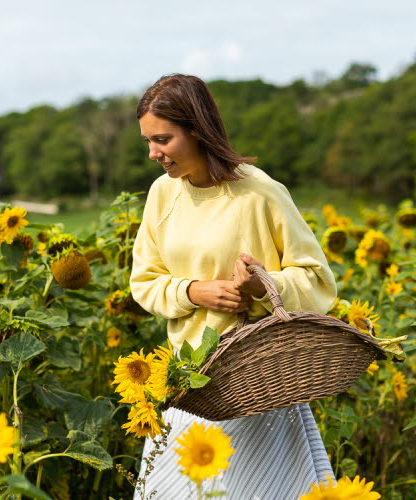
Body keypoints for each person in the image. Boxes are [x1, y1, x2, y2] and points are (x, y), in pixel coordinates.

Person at [129, 74, 338, 499]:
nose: (153, 153)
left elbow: (318, 282)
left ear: (197, 129)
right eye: (148, 142)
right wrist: (192, 291)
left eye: (163, 140)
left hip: (257, 384)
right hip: (186, 386)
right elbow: (144, 282)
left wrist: (264, 285)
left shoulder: (260, 192)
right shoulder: (161, 194)